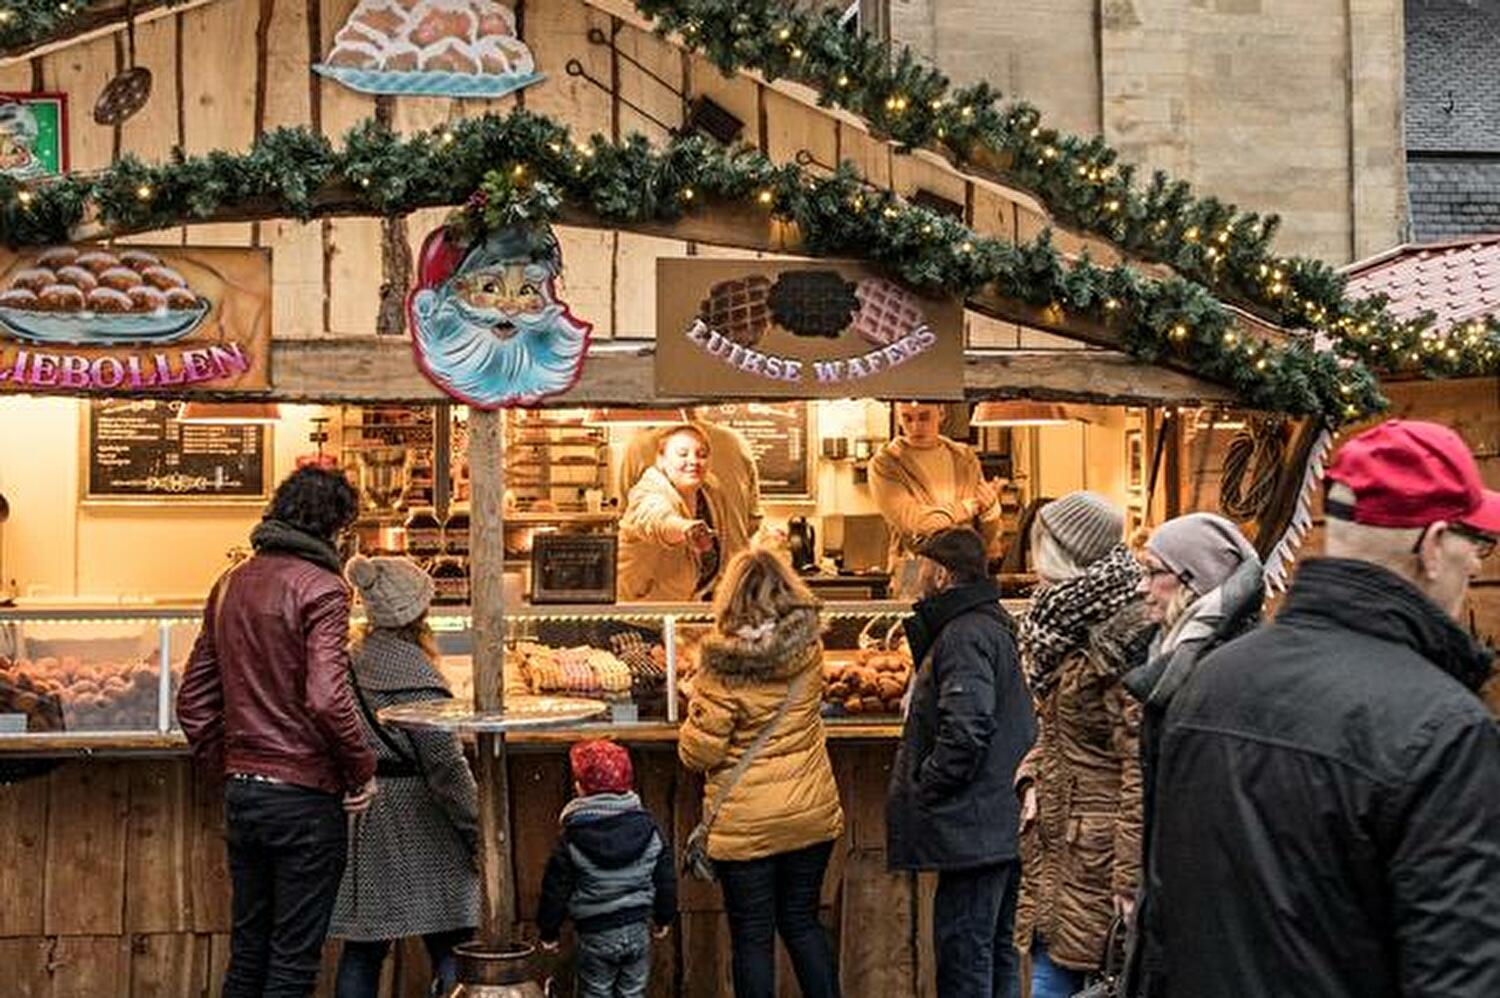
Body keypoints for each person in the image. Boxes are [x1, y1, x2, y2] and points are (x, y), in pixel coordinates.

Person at [1143, 420, 1500, 997]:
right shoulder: (1444, 730)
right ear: (1432, 548)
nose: (1479, 564)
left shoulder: (1209, 683)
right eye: (1475, 543)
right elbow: (1462, 975)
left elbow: (1161, 928)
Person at [178, 466, 377, 998]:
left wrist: (233, 764)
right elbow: (327, 697)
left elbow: (194, 703)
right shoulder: (325, 589)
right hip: (307, 800)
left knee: (248, 953)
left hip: (245, 795)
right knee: (292, 962)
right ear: (336, 528)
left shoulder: (230, 583)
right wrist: (361, 770)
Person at [679, 548, 844, 998]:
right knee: (802, 922)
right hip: (811, 813)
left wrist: (694, 707)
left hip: (746, 822)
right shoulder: (809, 649)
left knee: (752, 936)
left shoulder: (722, 666)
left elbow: (700, 753)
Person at [886, 527, 1036, 998]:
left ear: (942, 574)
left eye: (923, 566)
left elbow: (966, 730)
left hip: (974, 827)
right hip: (996, 821)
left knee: (965, 955)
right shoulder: (988, 625)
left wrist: (925, 786)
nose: (916, 575)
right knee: (995, 951)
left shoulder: (964, 634)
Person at [1119, 511, 1263, 997]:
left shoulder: (1220, 675)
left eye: (1153, 572)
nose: (1142, 588)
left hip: (1214, 914)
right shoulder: (1169, 660)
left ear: (1193, 581)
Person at [1013, 493, 1150, 998]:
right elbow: (1056, 732)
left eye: (1040, 547)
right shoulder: (1060, 623)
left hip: (1100, 857)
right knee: (1055, 976)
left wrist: (1129, 880)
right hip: (1062, 849)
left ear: (1066, 553)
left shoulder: (1124, 635)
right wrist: (1031, 779)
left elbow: (1141, 766)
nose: (1032, 563)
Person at [330, 555, 481, 998]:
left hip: (367, 814)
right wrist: (476, 830)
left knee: (365, 947)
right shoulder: (416, 676)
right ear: (418, 613)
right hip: (422, 819)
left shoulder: (348, 661)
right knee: (453, 940)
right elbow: (446, 769)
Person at [537, 740, 677, 998]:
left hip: (595, 932)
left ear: (579, 788)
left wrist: (549, 931)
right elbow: (665, 878)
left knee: (595, 992)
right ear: (629, 784)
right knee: (633, 993)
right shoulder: (650, 830)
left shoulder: (572, 838)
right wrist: (663, 917)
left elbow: (555, 889)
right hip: (637, 927)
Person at [870, 403, 1005, 580]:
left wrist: (990, 512)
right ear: (898, 418)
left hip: (965, 572)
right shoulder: (886, 463)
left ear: (941, 413)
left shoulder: (964, 457)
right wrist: (969, 507)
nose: (915, 427)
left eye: (924, 417)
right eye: (907, 418)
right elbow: (917, 523)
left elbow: (985, 539)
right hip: (914, 574)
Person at [617, 424, 746, 602]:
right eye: (682, 454)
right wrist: (685, 529)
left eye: (702, 455)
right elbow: (656, 520)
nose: (693, 461)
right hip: (641, 613)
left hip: (687, 609)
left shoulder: (711, 490)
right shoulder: (649, 491)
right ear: (660, 459)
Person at [617, 409, 762, 544]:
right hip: (733, 567)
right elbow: (753, 521)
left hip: (665, 568)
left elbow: (628, 516)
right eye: (682, 454)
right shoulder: (735, 442)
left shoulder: (640, 446)